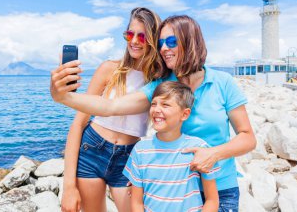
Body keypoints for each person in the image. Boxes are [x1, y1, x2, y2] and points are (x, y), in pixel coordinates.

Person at [51, 15, 256, 212]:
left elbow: (247, 138)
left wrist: (213, 154)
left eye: (171, 41)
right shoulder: (161, 86)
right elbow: (110, 107)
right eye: (161, 43)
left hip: (220, 186)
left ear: (190, 41)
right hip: (179, 187)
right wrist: (63, 97)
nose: (164, 48)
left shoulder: (223, 82)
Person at [60, 7, 165, 212]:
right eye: (130, 34)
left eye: (142, 36)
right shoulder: (109, 69)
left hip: (128, 157)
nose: (134, 41)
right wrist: (68, 187)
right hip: (91, 150)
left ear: (153, 39)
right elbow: (79, 123)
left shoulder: (157, 81)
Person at [124, 81, 220, 212]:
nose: (157, 109)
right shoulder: (140, 150)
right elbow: (136, 203)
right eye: (153, 104)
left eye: (165, 105)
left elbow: (212, 199)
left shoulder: (199, 148)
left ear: (185, 114)